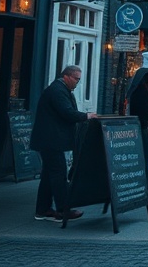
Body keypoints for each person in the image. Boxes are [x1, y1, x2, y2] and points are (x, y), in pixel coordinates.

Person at [30, 65, 97, 222]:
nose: (77, 83)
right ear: (66, 76)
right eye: (76, 79)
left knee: (49, 175)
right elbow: (67, 112)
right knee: (59, 173)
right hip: (51, 140)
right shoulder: (58, 91)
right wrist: (86, 116)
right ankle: (63, 210)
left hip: (49, 140)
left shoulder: (60, 89)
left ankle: (43, 210)